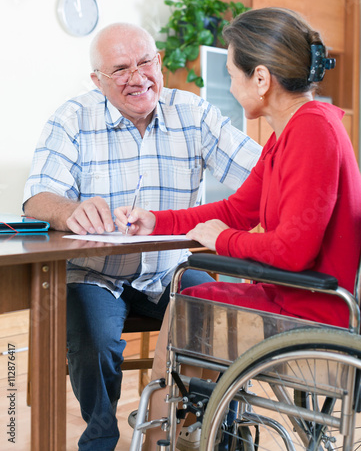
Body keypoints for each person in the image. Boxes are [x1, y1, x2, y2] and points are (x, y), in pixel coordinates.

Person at [114, 7, 361, 448]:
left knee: (186, 298)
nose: (230, 85)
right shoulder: (289, 134)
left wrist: (222, 242)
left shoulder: (313, 132)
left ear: (261, 79)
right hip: (291, 298)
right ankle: (193, 424)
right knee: (191, 296)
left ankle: (168, 430)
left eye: (232, 74)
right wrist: (156, 220)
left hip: (311, 312)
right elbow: (237, 209)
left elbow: (292, 251)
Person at [22, 22, 261, 450]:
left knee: (220, 315)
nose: (137, 77)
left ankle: (200, 427)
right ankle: (100, 436)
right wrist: (70, 210)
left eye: (145, 62)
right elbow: (36, 199)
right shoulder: (72, 118)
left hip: (172, 269)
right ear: (98, 80)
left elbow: (260, 174)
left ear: (160, 63)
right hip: (96, 273)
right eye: (120, 69)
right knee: (93, 340)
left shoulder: (193, 113)